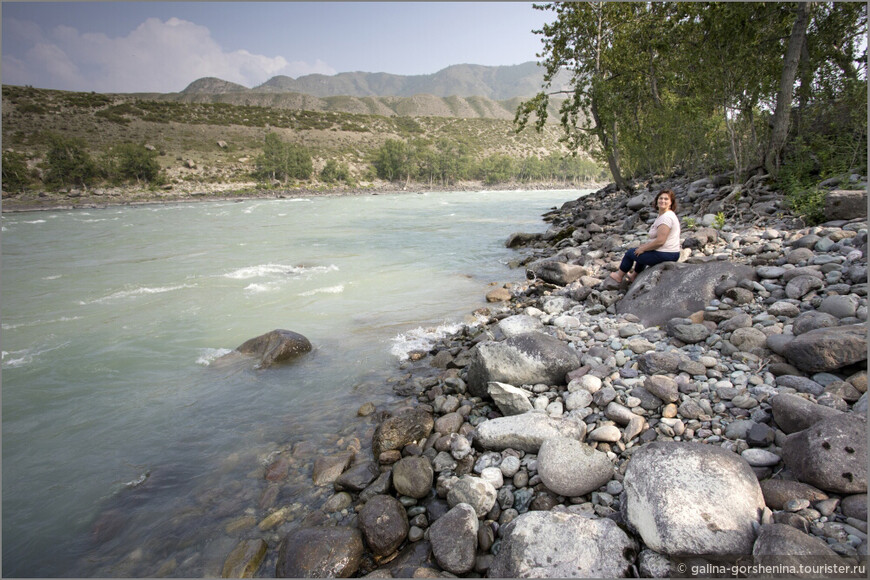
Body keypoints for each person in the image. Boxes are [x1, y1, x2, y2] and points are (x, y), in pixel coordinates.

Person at [609, 189, 681, 285]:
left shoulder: (666, 218)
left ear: (671, 202)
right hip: (669, 252)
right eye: (660, 198)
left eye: (666, 199)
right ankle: (634, 276)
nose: (662, 201)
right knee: (641, 249)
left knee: (630, 253)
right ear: (656, 200)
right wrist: (644, 248)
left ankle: (619, 276)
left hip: (667, 254)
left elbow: (660, 241)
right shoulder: (665, 215)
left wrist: (644, 248)